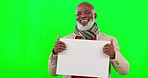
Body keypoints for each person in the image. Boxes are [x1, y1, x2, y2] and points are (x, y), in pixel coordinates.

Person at [48, 2, 130, 78]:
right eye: (78, 14)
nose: (83, 16)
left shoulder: (108, 40)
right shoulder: (66, 41)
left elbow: (125, 71)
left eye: (87, 12)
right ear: (76, 17)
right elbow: (53, 73)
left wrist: (113, 55)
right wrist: (55, 52)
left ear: (95, 16)